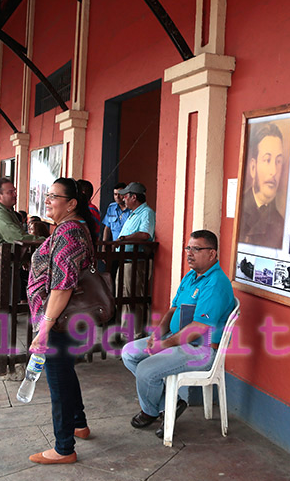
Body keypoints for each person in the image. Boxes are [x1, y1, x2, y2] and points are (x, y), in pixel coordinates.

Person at [122, 230, 235, 439]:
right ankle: (169, 404)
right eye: (188, 248)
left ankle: (150, 411)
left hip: (201, 349)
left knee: (147, 369)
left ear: (212, 254)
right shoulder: (191, 276)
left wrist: (163, 346)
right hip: (176, 341)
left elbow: (198, 328)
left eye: (196, 249)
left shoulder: (216, 283)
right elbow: (173, 310)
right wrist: (157, 335)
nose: (189, 253)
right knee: (129, 352)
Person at [26, 177, 96, 465]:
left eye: (54, 196)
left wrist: (44, 329)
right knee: (66, 373)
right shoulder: (71, 228)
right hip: (64, 320)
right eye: (48, 195)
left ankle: (64, 448)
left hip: (58, 321)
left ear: (71, 203)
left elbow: (62, 286)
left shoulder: (69, 233)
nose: (48, 201)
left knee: (58, 383)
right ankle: (79, 424)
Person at [0, 178, 34, 358]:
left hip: (8, 264)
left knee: (3, 305)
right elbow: (17, 236)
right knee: (2, 307)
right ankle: (1, 349)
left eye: (14, 190)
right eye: (10, 192)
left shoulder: (6, 211)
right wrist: (45, 240)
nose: (14, 194)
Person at [114, 181, 156, 338]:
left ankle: (136, 337)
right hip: (125, 261)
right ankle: (126, 337)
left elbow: (145, 234)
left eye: (126, 196)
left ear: (134, 197)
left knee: (134, 300)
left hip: (135, 262)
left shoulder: (146, 213)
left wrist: (125, 238)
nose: (123, 199)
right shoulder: (133, 213)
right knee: (124, 299)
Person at [238, 121, 286, 248]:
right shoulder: (239, 212)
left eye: (278, 161)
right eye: (267, 160)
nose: (274, 171)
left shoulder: (280, 223)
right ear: (253, 167)